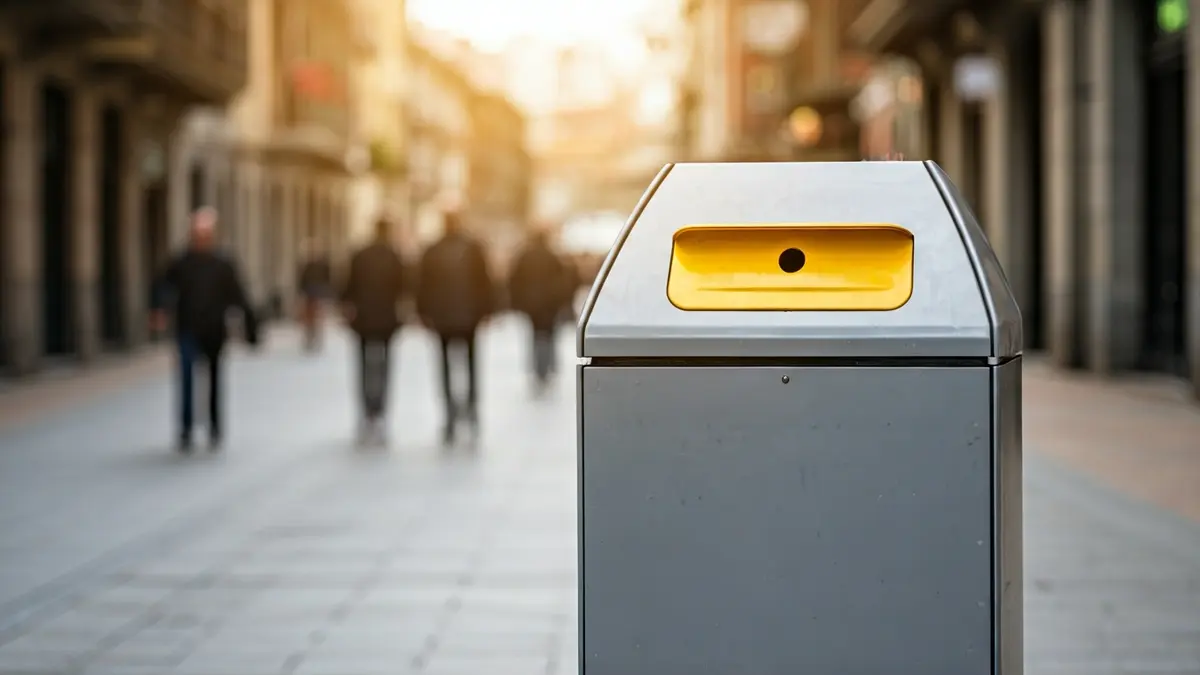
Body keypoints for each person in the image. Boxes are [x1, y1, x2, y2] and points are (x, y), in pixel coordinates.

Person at [151, 207, 259, 453]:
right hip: (187, 327)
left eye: (205, 233)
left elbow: (238, 296)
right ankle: (186, 429)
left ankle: (214, 427)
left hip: (214, 329)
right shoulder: (181, 262)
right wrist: (159, 309)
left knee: (214, 379)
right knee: (187, 377)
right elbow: (163, 285)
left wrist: (250, 327)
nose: (201, 237)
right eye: (197, 232)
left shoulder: (223, 263)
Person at [416, 211, 495, 445]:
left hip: (442, 318)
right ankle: (471, 410)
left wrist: (423, 313)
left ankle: (450, 413)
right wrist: (487, 310)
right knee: (471, 365)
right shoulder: (473, 248)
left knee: (444, 367)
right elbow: (485, 281)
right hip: (469, 317)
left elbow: (422, 285)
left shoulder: (433, 250)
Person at [340, 217, 408, 446]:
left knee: (363, 366)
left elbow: (347, 286)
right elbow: (404, 287)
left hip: (363, 318)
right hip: (387, 318)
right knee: (385, 366)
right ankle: (380, 411)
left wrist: (348, 309)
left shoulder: (361, 254)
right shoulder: (395, 256)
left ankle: (366, 411)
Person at [508, 226, 569, 393]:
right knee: (549, 335)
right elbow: (562, 280)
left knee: (535, 335)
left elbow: (515, 280)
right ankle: (547, 366)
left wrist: (517, 301)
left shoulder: (525, 256)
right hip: (549, 304)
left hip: (531, 304)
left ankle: (538, 368)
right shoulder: (552, 256)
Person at [297, 240, 333, 353]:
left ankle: (315, 337)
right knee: (309, 318)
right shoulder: (307, 265)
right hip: (310, 293)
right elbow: (302, 280)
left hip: (318, 294)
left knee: (316, 317)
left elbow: (328, 279)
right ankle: (310, 337)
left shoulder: (322, 265)